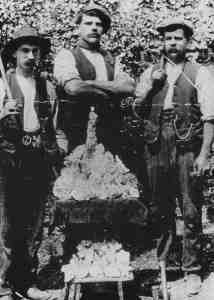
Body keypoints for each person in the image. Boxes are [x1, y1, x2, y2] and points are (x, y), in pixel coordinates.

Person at [133, 18, 214, 296]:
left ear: (187, 42)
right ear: (162, 42)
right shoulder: (151, 72)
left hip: (187, 145)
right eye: (168, 39)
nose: (173, 43)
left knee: (190, 208)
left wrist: (204, 155)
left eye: (178, 38)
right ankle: (164, 267)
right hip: (156, 144)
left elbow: (211, 117)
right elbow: (137, 108)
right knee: (160, 208)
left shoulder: (199, 72)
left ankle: (192, 270)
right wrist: (151, 87)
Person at [0, 26, 65, 298]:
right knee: (5, 226)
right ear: (14, 54)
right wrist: (2, 114)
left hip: (37, 160)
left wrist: (59, 149)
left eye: (35, 51)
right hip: (6, 161)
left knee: (33, 227)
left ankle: (25, 283)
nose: (30, 55)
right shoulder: (2, 84)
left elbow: (55, 126)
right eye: (24, 50)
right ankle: (3, 287)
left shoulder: (46, 86)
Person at [53, 2, 136, 162]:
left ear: (103, 29)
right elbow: (74, 87)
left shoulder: (111, 59)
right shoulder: (67, 55)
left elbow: (129, 86)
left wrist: (91, 83)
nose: (94, 28)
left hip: (110, 134)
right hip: (77, 135)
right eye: (88, 23)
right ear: (79, 27)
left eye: (99, 24)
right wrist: (112, 89)